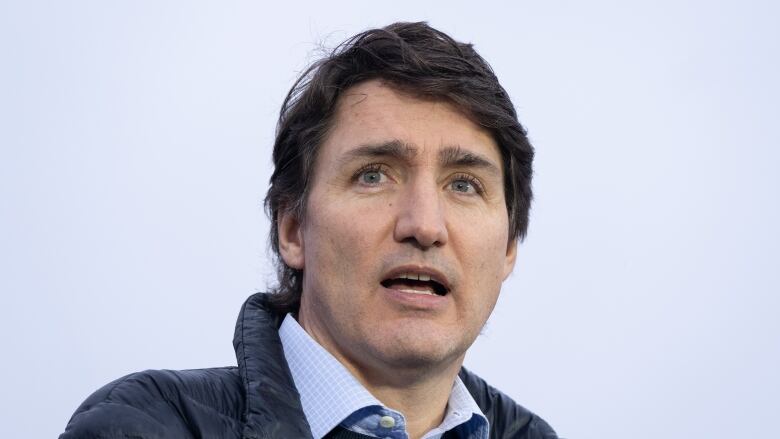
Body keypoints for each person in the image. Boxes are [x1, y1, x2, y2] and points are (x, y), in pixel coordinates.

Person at [60, 22, 558, 439]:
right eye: (373, 175)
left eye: (465, 185)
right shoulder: (146, 425)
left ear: (510, 246)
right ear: (293, 229)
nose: (424, 225)